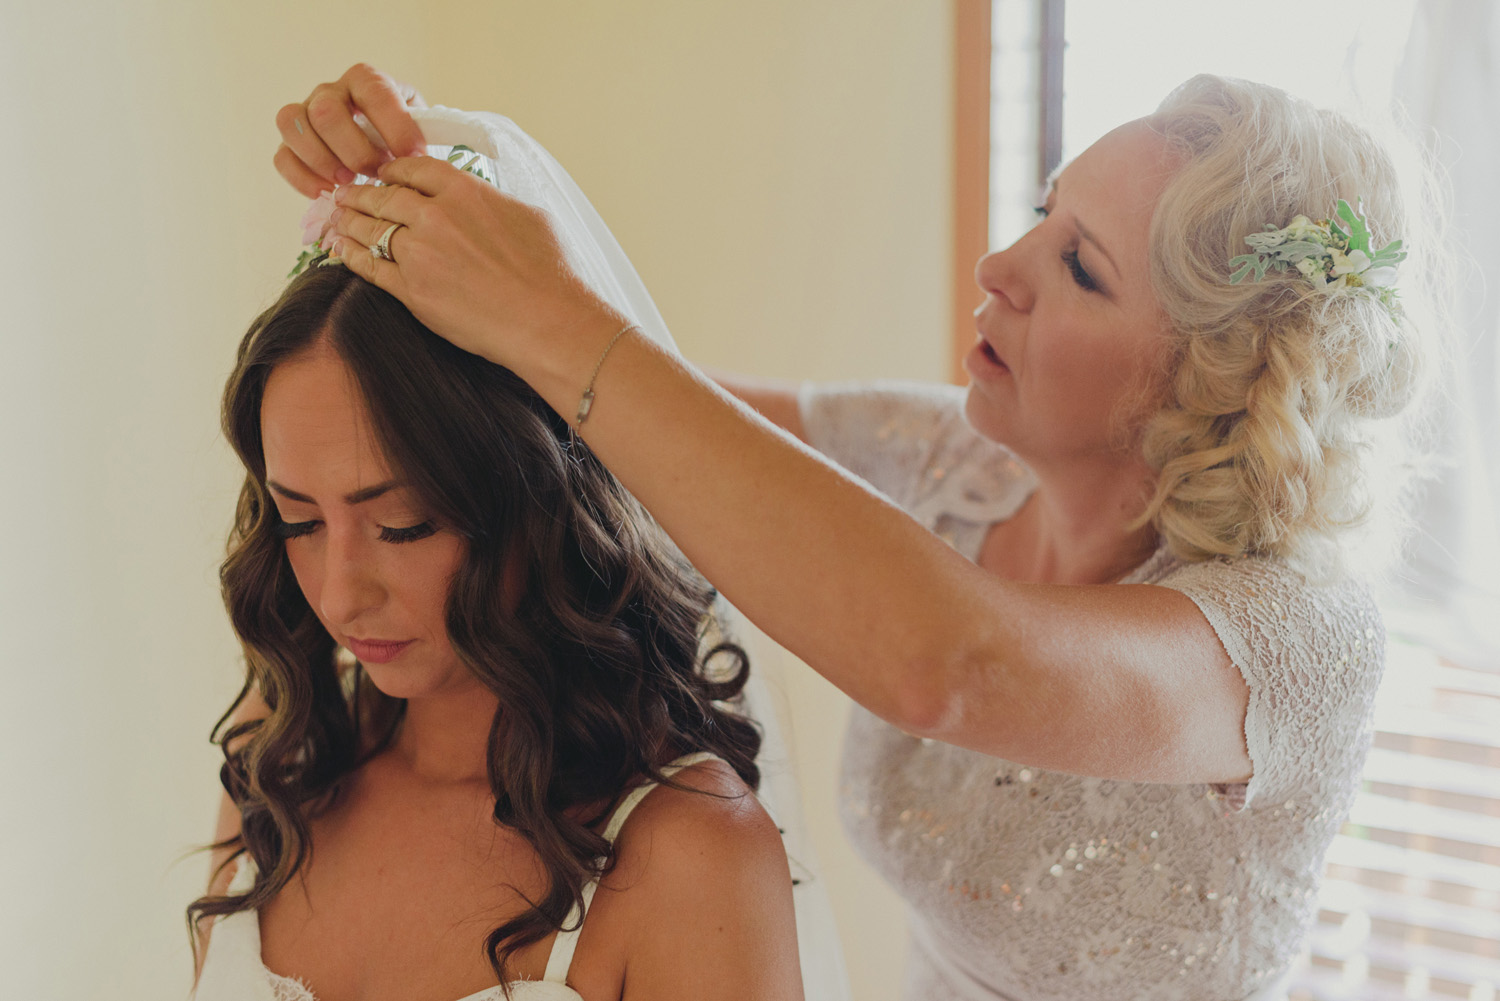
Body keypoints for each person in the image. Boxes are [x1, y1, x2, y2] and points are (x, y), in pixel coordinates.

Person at [275, 66, 1443, 1000]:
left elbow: (955, 664)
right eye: (1044, 213)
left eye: (1080, 265)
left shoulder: (1297, 635)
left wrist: (540, 312)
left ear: (1217, 374)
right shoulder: (953, 460)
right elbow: (632, 411)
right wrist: (445, 172)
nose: (1001, 267)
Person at [189, 112, 807, 1001]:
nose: (338, 595)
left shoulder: (686, 852)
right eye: (299, 522)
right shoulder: (282, 755)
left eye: (400, 525)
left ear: (537, 502)